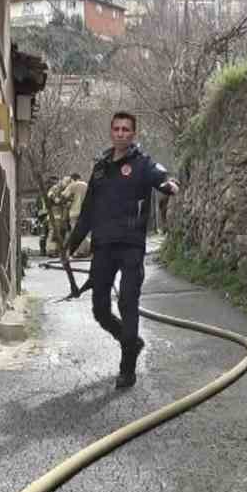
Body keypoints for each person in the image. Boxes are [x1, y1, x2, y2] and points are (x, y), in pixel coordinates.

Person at [66, 111, 179, 388]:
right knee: (100, 309)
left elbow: (162, 177)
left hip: (130, 246)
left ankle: (127, 367)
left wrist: (170, 184)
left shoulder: (142, 164)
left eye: (126, 129)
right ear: (111, 132)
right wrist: (71, 244)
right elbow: (88, 211)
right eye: (116, 128)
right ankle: (132, 342)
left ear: (133, 134)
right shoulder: (101, 168)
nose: (121, 133)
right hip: (103, 247)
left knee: (128, 302)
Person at [65, 172, 90, 257]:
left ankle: (80, 252)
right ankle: (87, 250)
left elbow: (64, 196)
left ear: (72, 179)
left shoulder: (72, 185)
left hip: (74, 212)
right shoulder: (86, 185)